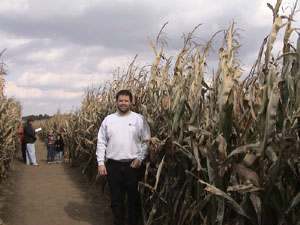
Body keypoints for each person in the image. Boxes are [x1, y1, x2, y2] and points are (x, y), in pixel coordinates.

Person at [96, 89, 151, 225]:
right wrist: (100, 162)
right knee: (116, 199)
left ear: (131, 102)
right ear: (116, 102)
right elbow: (101, 142)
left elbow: (146, 141)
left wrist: (139, 159)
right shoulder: (109, 120)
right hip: (113, 165)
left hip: (132, 165)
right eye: (120, 100)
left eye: (126, 101)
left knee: (133, 198)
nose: (123, 103)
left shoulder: (139, 119)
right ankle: (118, 222)